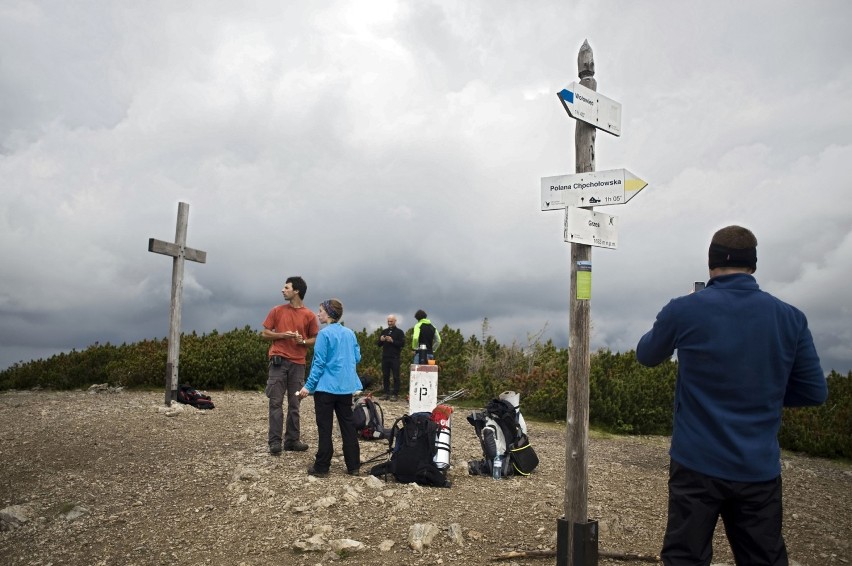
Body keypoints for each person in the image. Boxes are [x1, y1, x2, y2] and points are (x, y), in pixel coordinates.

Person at [636, 225, 828, 566]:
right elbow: (814, 392)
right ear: (753, 265)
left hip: (695, 461)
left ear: (710, 263)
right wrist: (763, 395)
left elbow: (647, 355)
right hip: (758, 467)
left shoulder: (685, 309)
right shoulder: (791, 318)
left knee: (685, 557)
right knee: (763, 558)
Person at [297, 299, 362, 478]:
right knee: (348, 426)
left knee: (325, 427)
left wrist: (307, 387)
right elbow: (357, 357)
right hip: (345, 389)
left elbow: (318, 363)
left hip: (325, 389)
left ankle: (322, 466)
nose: (318, 314)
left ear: (329, 313)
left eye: (320, 311)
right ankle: (353, 466)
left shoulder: (324, 335)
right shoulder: (350, 334)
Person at [261, 276, 319, 455]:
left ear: (297, 291)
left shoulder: (309, 315)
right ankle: (275, 442)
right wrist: (282, 335)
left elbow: (315, 339)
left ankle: (292, 440)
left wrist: (303, 342)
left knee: (295, 403)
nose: (282, 290)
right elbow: (264, 334)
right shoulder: (276, 310)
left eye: (286, 287)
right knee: (275, 402)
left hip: (298, 364)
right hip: (278, 362)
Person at [378, 313, 405, 401]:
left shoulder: (399, 332)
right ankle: (386, 393)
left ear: (395, 321)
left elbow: (402, 344)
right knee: (385, 375)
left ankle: (395, 394)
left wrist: (392, 341)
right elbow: (379, 344)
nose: (389, 323)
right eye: (388, 321)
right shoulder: (384, 331)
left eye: (391, 321)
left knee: (396, 376)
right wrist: (381, 340)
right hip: (385, 357)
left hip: (395, 357)